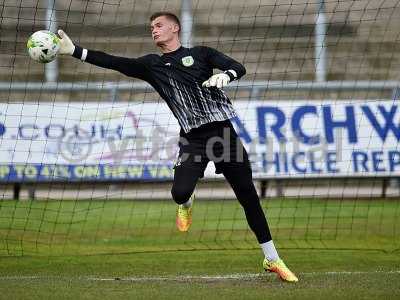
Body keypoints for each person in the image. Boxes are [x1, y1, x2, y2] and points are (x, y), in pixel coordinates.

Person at [57, 11, 298, 282]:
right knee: (179, 192)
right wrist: (75, 51)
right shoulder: (152, 65)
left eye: (159, 25)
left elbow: (238, 66)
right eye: (151, 27)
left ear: (175, 28)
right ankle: (187, 201)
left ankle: (272, 258)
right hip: (193, 139)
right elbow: (115, 62)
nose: (154, 30)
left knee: (248, 196)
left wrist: (226, 76)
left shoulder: (201, 53)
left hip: (223, 135)